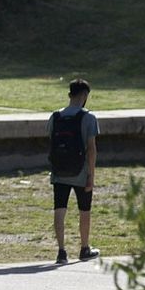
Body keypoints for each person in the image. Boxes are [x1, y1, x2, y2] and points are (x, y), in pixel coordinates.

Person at [47, 79, 99, 265]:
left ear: (69, 95)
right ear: (85, 95)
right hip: (81, 172)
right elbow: (91, 149)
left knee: (59, 209)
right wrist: (91, 176)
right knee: (84, 210)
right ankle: (84, 248)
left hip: (59, 171)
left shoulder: (55, 117)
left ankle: (61, 251)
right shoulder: (89, 118)